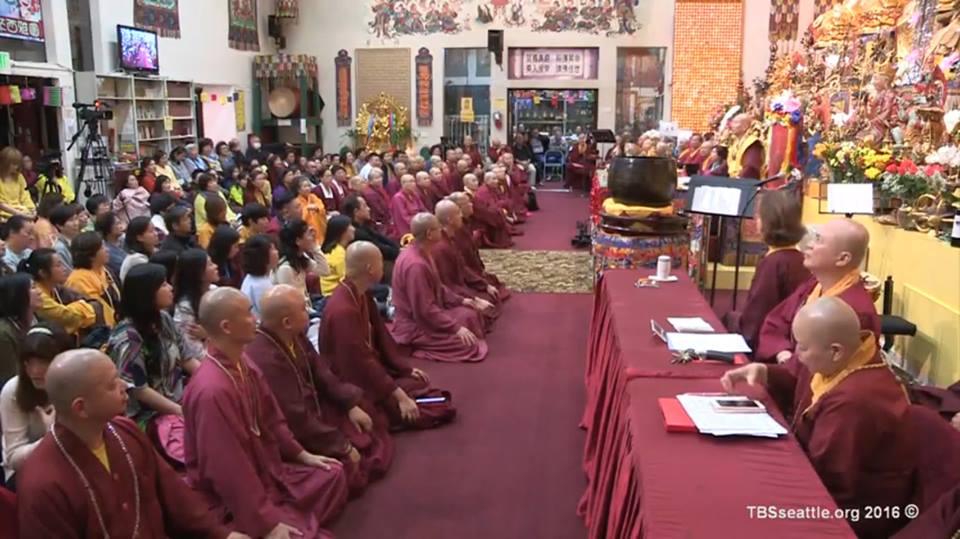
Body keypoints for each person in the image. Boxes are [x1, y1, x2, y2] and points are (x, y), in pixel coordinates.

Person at [721, 297, 915, 538]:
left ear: (835, 351)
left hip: (857, 512)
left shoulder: (853, 401)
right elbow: (802, 381)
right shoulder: (848, 357)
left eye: (802, 347)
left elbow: (828, 478)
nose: (796, 355)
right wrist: (764, 372)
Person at [15, 349, 240, 538]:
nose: (124, 385)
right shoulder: (42, 483)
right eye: (112, 384)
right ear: (81, 408)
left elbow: (178, 500)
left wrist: (220, 534)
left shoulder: (125, 431)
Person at [183, 288, 348, 538]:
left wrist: (302, 455)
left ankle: (292, 519)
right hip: (236, 497)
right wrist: (266, 523)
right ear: (227, 327)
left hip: (268, 471)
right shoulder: (211, 391)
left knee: (333, 474)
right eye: (249, 313)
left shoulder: (243, 363)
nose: (256, 319)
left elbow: (272, 418)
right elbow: (226, 468)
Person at [248, 284, 394, 493]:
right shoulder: (265, 357)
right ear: (287, 322)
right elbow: (294, 414)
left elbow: (321, 371)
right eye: (303, 308)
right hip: (298, 430)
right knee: (346, 467)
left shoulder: (293, 334)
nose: (308, 311)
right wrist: (341, 445)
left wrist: (349, 404)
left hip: (316, 409)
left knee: (368, 416)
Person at [322, 241, 456, 429]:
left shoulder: (360, 293)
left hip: (372, 370)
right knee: (432, 409)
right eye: (380, 261)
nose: (383, 266)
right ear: (370, 268)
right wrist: (398, 395)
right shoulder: (343, 310)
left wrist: (403, 368)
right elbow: (359, 361)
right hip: (355, 382)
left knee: (416, 383)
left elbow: (381, 336)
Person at [107, 263, 199, 463]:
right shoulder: (128, 337)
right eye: (163, 284)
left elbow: (187, 359)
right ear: (146, 293)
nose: (170, 288)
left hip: (177, 400)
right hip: (149, 415)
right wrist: (180, 411)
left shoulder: (163, 320)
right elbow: (140, 390)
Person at [756, 219, 880, 363]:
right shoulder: (814, 285)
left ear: (842, 259)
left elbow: (830, 368)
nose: (809, 245)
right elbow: (776, 321)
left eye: (819, 240)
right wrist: (782, 352)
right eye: (815, 238)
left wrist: (792, 365)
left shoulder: (854, 312)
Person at [391, 213, 489, 362]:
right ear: (429, 234)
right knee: (469, 345)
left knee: (471, 315)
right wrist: (455, 328)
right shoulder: (415, 265)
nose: (442, 230)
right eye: (438, 228)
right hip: (416, 324)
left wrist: (463, 300)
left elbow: (438, 287)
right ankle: (418, 348)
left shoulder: (423, 252)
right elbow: (424, 310)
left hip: (430, 312)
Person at [724, 190, 811, 350]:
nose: (755, 221)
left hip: (770, 344)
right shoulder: (801, 258)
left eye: (758, 216)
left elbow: (755, 320)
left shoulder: (773, 263)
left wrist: (731, 320)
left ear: (768, 222)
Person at [1, 324, 71, 487]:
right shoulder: (13, 390)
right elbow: (14, 458)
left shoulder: (76, 384)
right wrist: (52, 435)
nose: (34, 371)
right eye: (29, 363)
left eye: (43, 362)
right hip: (27, 470)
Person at [433, 200, 501, 325]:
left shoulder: (450, 238)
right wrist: (472, 299)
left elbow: (462, 267)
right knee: (473, 315)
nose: (461, 216)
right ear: (449, 220)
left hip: (461, 286)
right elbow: (446, 284)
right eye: (458, 213)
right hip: (452, 293)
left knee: (491, 288)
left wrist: (484, 285)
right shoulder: (440, 247)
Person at [20, 249, 98, 339]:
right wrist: (83, 306)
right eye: (58, 265)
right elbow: (66, 316)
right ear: (43, 273)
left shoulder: (54, 287)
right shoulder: (38, 295)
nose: (64, 268)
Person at [447, 192, 511, 300]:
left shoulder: (463, 224)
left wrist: (480, 270)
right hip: (463, 277)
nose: (471, 205)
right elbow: (460, 265)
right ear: (458, 208)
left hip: (472, 270)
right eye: (468, 203)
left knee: (492, 281)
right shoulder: (455, 231)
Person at [65, 232, 121, 328]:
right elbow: (99, 311)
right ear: (90, 255)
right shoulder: (79, 280)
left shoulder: (104, 269)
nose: (107, 250)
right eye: (102, 248)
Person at [172, 248, 219, 361]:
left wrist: (210, 334)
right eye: (210, 264)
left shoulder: (215, 291)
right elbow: (194, 352)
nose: (216, 266)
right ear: (199, 274)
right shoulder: (185, 309)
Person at [275, 218, 330, 308]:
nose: (312, 237)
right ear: (298, 241)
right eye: (308, 234)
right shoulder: (285, 269)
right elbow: (290, 302)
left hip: (306, 307)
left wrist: (315, 247)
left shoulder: (301, 257)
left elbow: (325, 271)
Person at [0, 274, 42, 387]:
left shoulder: (39, 320)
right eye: (33, 288)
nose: (39, 292)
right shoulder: (4, 333)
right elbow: (10, 377)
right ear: (18, 294)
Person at [342, 194, 400, 265]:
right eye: (365, 206)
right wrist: (398, 252)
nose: (368, 209)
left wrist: (397, 248)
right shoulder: (356, 233)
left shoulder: (363, 225)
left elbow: (380, 238)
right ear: (356, 212)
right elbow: (379, 248)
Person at [463, 174, 514, 248]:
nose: (476, 183)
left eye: (476, 180)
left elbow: (485, 206)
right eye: (473, 181)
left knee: (496, 214)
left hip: (481, 216)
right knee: (495, 216)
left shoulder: (475, 192)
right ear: (466, 183)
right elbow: (477, 211)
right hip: (474, 221)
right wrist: (497, 213)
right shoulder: (466, 195)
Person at [241, 234, 280, 319]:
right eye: (273, 249)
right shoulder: (261, 285)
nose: (277, 252)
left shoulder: (253, 278)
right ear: (262, 256)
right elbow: (272, 316)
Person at [119, 216, 159, 283]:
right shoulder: (136, 260)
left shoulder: (153, 250)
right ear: (140, 237)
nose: (156, 233)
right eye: (151, 231)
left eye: (155, 229)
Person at [0, 147, 36, 220]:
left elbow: (25, 196)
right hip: (4, 215)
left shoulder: (19, 177)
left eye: (18, 164)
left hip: (21, 211)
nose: (16, 166)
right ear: (5, 163)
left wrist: (33, 210)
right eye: (14, 164)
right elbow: (1, 204)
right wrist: (18, 213)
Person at [726, 113, 765, 179]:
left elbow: (751, 168)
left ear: (745, 127)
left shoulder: (752, 142)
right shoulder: (735, 143)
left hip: (745, 182)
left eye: (735, 123)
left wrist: (737, 180)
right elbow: (727, 165)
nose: (731, 126)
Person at [390, 174, 427, 239]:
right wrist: (419, 225)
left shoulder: (414, 194)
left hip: (419, 223)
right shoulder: (398, 198)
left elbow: (423, 209)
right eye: (411, 181)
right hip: (408, 228)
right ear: (403, 184)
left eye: (414, 181)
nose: (414, 184)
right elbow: (403, 218)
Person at [361, 168, 395, 237]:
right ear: (370, 181)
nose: (380, 180)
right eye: (376, 178)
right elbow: (378, 210)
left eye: (380, 177)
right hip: (379, 222)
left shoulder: (379, 188)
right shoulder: (369, 193)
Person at [49, 203, 83, 273]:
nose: (76, 223)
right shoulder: (59, 249)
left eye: (76, 219)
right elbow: (68, 273)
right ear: (59, 225)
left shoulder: (79, 241)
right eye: (71, 220)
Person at [297, 176, 328, 240]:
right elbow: (301, 217)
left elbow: (322, 207)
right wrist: (307, 208)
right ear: (298, 189)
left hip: (319, 229)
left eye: (308, 186)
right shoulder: (297, 201)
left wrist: (316, 208)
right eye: (305, 186)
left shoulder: (313, 197)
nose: (308, 188)